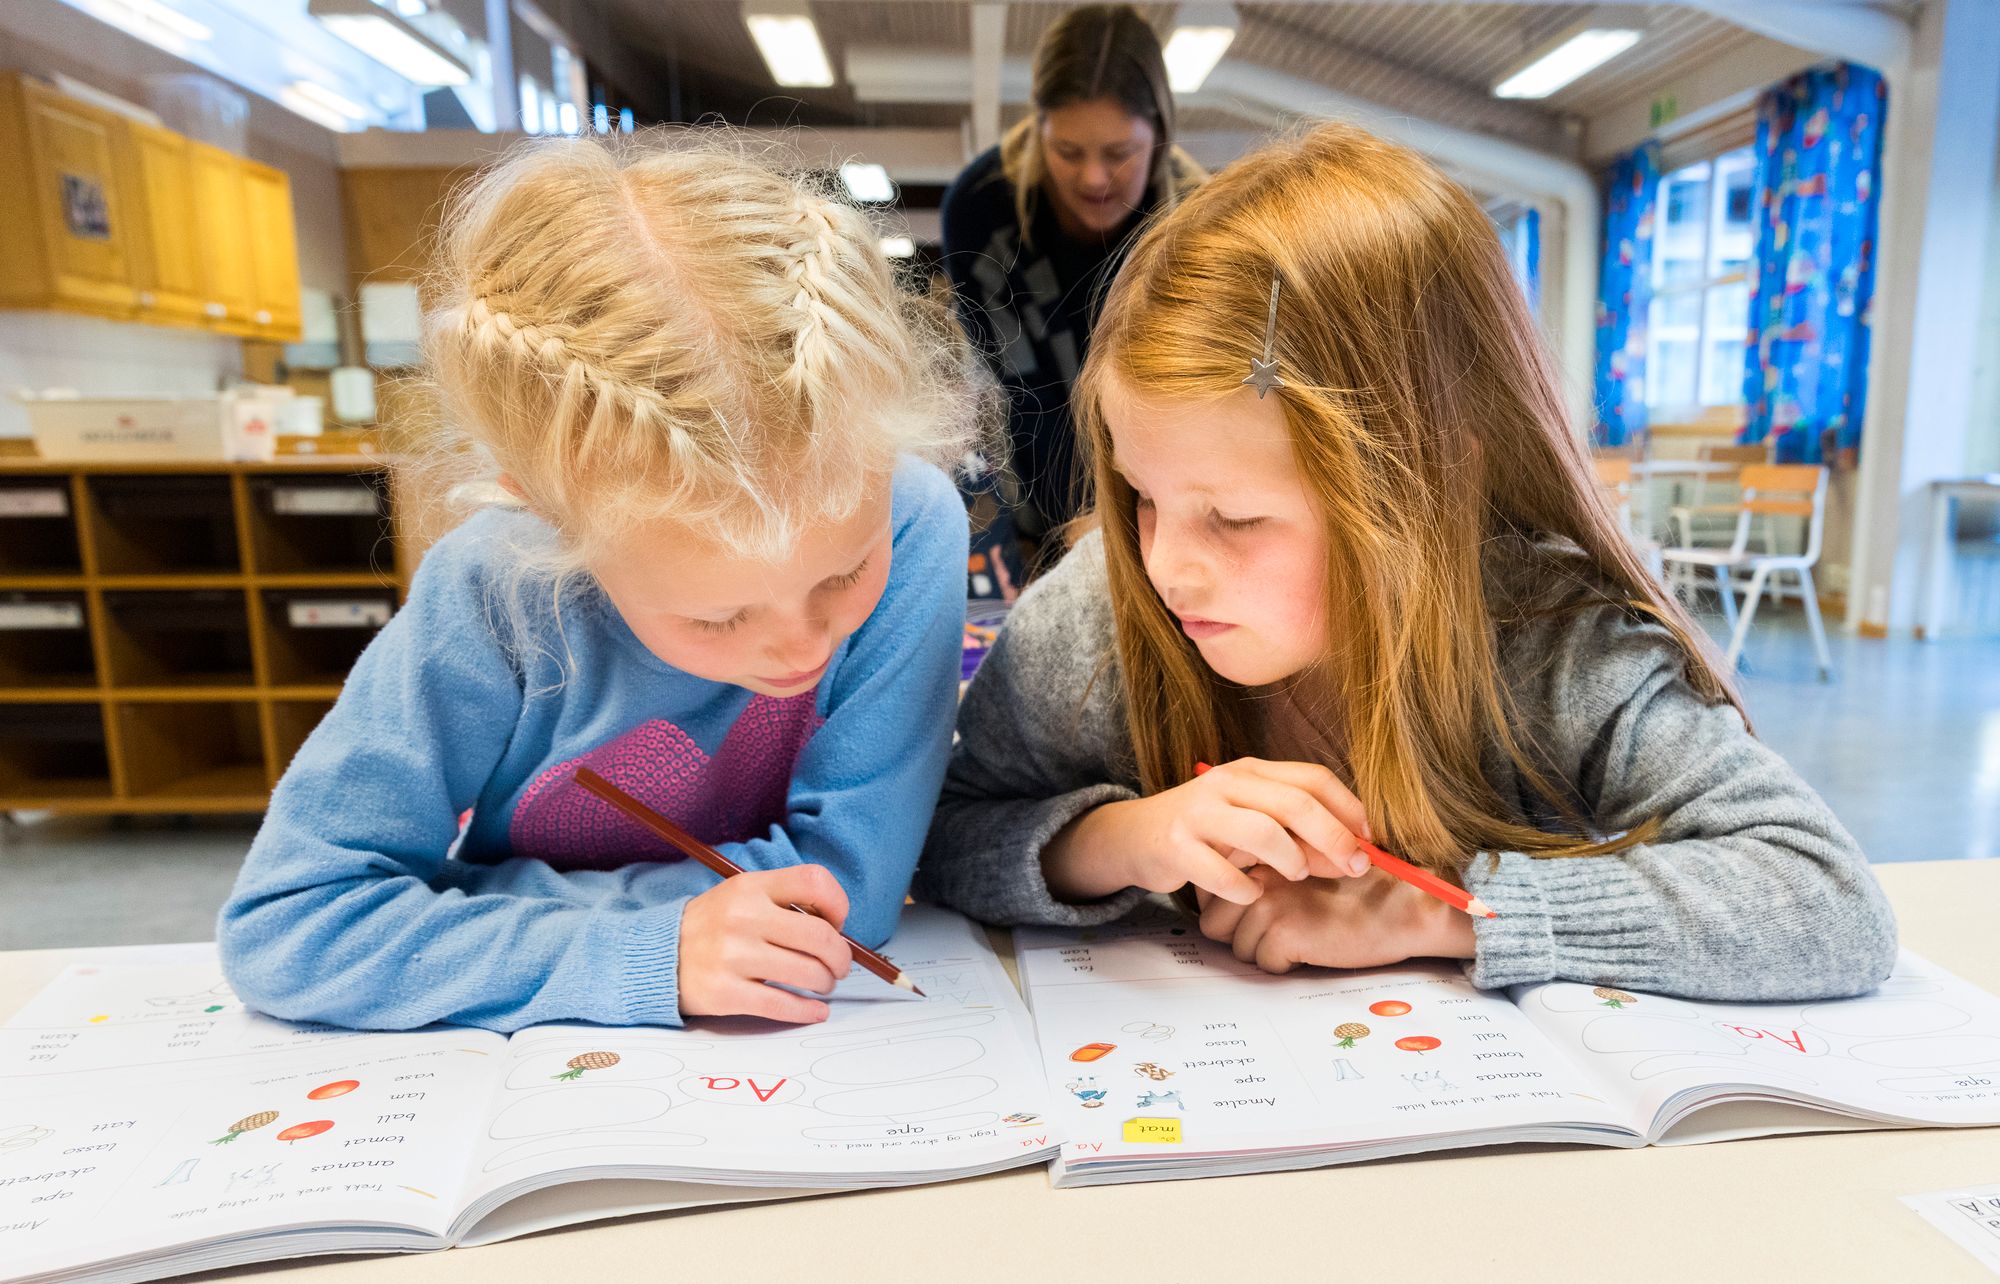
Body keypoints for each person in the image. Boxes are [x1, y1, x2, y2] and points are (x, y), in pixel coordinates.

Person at [918, 122, 1896, 1002]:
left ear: (1421, 490)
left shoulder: (1546, 641)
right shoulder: (1096, 615)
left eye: (1237, 517)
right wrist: (1121, 840)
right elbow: (944, 832)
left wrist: (1443, 913)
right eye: (1139, 496)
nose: (1168, 566)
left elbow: (1823, 899)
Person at [219, 135, 972, 1031]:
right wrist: (644, 948)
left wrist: (477, 896)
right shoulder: (495, 587)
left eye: (843, 575)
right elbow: (290, 919)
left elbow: (847, 892)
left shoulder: (912, 519)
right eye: (716, 615)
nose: (802, 646)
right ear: (541, 514)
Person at [940, 3, 1203, 568]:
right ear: (1039, 127)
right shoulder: (981, 211)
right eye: (1067, 151)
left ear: (1160, 133)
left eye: (1119, 154)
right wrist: (1016, 536)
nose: (1093, 177)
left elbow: (1194, 406)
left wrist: (1127, 519)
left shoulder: (1197, 224)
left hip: (1166, 520)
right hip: (1036, 520)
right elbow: (996, 394)